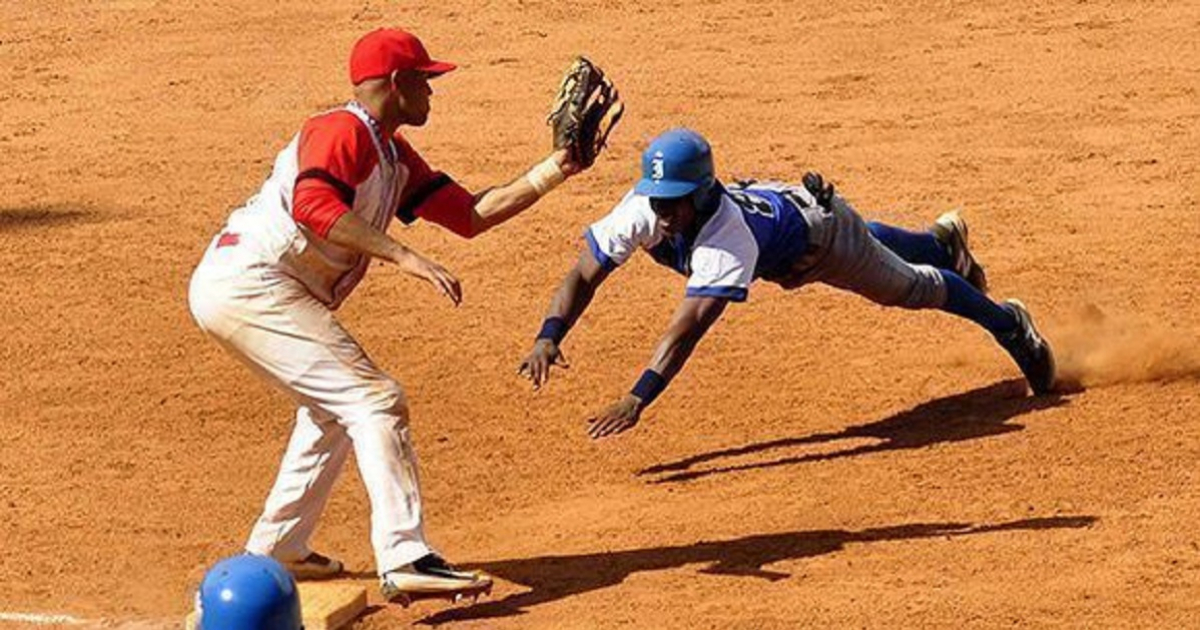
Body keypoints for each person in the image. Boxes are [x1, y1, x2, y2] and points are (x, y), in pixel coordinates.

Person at [189, 27, 585, 603]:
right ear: (397, 83)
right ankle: (405, 556)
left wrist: (557, 166)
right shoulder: (340, 130)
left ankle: (280, 547)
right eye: (425, 80)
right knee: (374, 399)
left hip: (266, 289)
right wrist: (405, 254)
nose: (431, 91)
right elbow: (312, 205)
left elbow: (473, 214)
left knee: (332, 411)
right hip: (251, 282)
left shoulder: (391, 154)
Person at [518, 128, 1055, 439]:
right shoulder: (645, 208)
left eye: (673, 199)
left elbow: (686, 329)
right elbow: (584, 274)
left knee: (910, 287)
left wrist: (637, 399)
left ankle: (1011, 324)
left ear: (703, 193)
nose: (662, 210)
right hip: (788, 213)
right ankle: (943, 244)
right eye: (657, 197)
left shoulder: (727, 240)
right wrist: (550, 333)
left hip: (821, 243)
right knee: (877, 239)